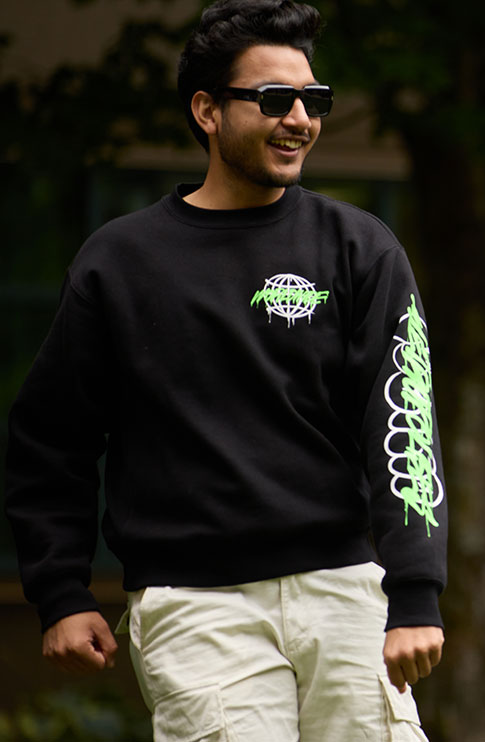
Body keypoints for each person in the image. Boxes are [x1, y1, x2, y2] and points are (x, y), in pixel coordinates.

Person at [3, 1, 446, 739]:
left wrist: (416, 591)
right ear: (207, 111)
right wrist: (61, 590)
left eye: (315, 101)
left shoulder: (360, 248)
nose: (299, 118)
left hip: (344, 591)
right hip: (194, 604)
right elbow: (53, 438)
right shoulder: (120, 261)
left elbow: (404, 426)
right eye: (275, 100)